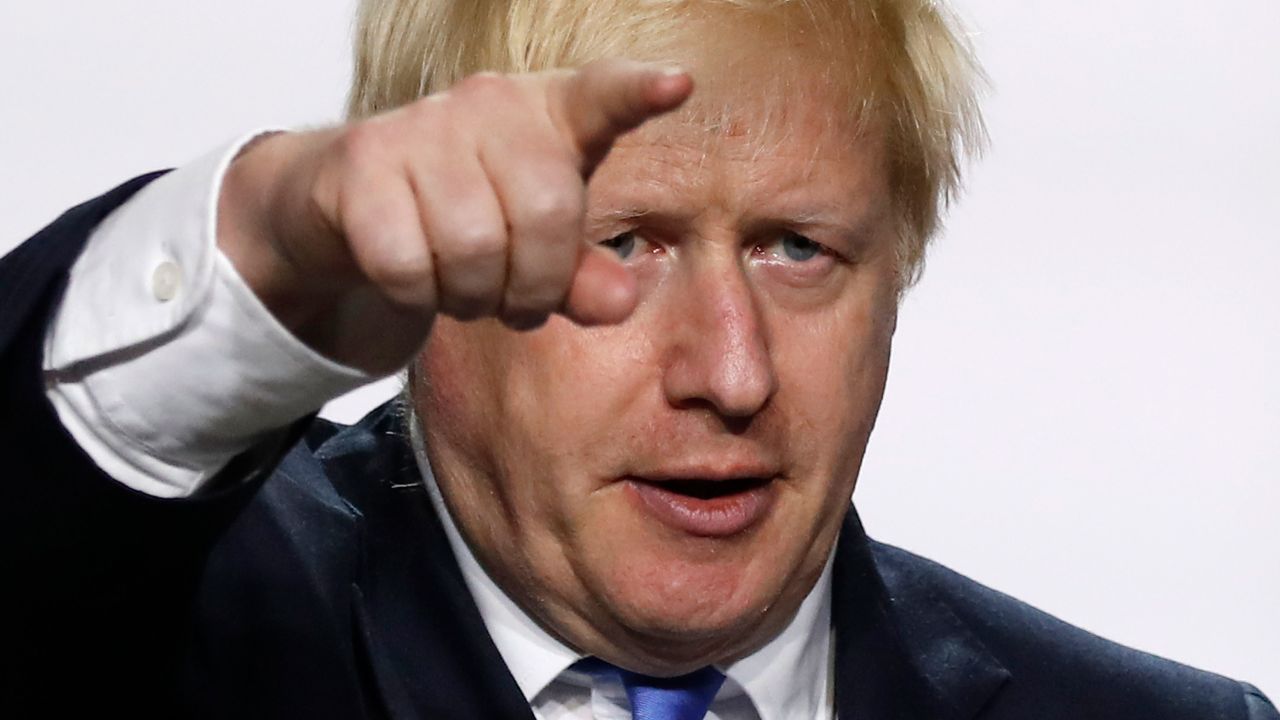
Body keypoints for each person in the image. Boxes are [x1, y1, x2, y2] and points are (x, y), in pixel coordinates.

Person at [0, 0, 1273, 717]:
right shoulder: (178, 637)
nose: (729, 373)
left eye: (794, 248)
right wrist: (269, 236)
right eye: (622, 245)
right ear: (428, 260)